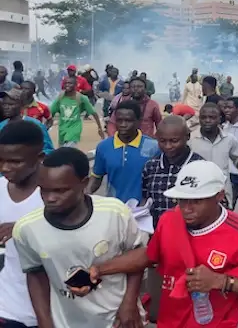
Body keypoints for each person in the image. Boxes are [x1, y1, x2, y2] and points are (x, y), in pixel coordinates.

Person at [87, 160, 238, 328]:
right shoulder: (170, 220)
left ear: (219, 196)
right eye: (182, 200)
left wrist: (221, 282)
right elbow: (149, 255)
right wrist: (99, 269)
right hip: (170, 322)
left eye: (196, 201)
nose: (186, 208)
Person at [12, 147, 149, 327]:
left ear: (83, 183)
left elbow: (141, 256)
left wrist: (129, 304)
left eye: (60, 190)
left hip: (118, 321)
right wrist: (44, 321)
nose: (50, 198)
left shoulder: (114, 213)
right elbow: (36, 274)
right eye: (43, 190)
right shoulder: (27, 228)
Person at [142, 116, 204, 322]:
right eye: (163, 141)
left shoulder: (200, 166)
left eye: (174, 141)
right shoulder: (150, 167)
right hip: (159, 246)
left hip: (193, 247)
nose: (168, 146)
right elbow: (146, 201)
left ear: (187, 137)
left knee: (192, 305)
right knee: (157, 310)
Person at [0, 121, 47, 328]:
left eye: (15, 161)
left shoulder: (58, 194)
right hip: (8, 305)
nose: (4, 168)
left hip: (48, 309)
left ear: (39, 158)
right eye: (1, 160)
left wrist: (24, 228)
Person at [87, 100, 160, 203]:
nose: (123, 124)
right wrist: (85, 197)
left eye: (128, 120)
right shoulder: (104, 147)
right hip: (114, 208)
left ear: (139, 121)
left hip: (145, 211)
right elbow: (96, 177)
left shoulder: (154, 147)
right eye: (119, 120)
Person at [189, 103, 238, 208]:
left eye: (212, 117)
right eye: (203, 117)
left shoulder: (229, 139)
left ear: (219, 119)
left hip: (222, 193)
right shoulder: (190, 140)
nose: (207, 120)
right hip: (197, 193)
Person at [50, 76, 105, 147]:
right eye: (66, 83)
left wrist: (99, 128)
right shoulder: (60, 98)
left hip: (75, 129)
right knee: (62, 153)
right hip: (62, 130)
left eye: (70, 83)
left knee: (68, 149)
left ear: (76, 85)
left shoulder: (81, 98)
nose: (67, 85)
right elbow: (50, 113)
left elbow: (93, 113)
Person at [0, 88, 54, 154]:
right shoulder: (2, 126)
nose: (6, 107)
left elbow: (48, 149)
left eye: (11, 104)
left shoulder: (34, 125)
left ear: (21, 105)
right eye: (4, 104)